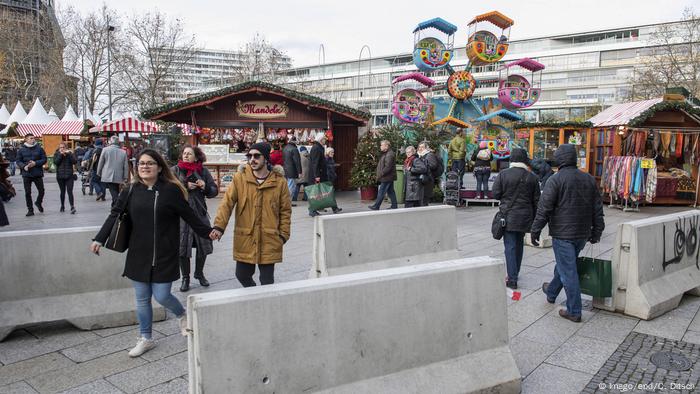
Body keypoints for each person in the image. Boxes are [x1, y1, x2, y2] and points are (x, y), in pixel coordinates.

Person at [90, 149, 213, 357]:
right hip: (138, 252)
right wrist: (99, 238)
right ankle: (145, 338)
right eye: (141, 163)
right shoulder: (130, 190)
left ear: (159, 167)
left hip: (165, 251)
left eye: (149, 163)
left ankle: (182, 315)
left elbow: (189, 215)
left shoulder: (171, 190)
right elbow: (115, 214)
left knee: (162, 295)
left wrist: (208, 232)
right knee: (142, 298)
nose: (145, 167)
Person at [531, 144, 605, 323]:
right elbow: (597, 208)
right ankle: (551, 291)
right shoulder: (588, 179)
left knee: (568, 271)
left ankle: (574, 310)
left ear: (559, 159)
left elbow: (544, 208)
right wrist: (597, 230)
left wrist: (535, 230)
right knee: (566, 266)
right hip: (581, 233)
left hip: (563, 234)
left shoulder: (555, 180)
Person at [210, 142, 292, 288]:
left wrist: (283, 235)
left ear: (266, 158)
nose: (252, 159)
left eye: (256, 156)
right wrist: (219, 226)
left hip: (270, 237)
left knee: (267, 281)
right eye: (249, 156)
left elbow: (285, 211)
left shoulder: (280, 182)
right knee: (242, 275)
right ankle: (254, 295)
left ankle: (264, 305)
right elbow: (226, 204)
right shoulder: (239, 178)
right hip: (245, 237)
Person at [171, 145, 218, 292]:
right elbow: (167, 188)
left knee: (204, 243)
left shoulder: (202, 171)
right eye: (184, 153)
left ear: (196, 157)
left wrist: (205, 187)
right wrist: (184, 186)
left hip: (199, 212)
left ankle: (199, 273)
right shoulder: (175, 170)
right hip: (181, 214)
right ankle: (185, 277)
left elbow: (214, 191)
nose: (185, 156)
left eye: (189, 154)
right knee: (183, 246)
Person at [492, 148, 540, 289]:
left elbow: (496, 194)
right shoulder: (532, 177)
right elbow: (537, 200)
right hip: (525, 217)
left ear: (511, 159)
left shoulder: (503, 174)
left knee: (510, 246)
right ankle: (515, 272)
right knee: (518, 245)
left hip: (509, 216)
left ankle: (512, 279)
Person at [306, 133, 340, 216]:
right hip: (318, 175)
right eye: (324, 139)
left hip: (321, 174)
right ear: (321, 140)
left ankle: (334, 207)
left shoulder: (318, 147)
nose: (325, 140)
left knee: (328, 190)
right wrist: (317, 176)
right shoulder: (316, 148)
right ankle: (312, 210)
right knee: (316, 193)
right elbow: (315, 163)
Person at [15, 135, 47, 217]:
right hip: (26, 174)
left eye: (34, 138)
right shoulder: (21, 150)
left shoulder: (39, 148)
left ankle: (38, 202)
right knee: (27, 192)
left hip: (37, 173)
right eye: (31, 138)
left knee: (42, 191)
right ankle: (30, 209)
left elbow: (44, 159)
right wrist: (24, 166)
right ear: (26, 139)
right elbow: (18, 160)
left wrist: (35, 163)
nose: (33, 140)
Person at [97, 135, 129, 207]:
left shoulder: (105, 150)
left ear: (110, 142)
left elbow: (101, 162)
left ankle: (117, 204)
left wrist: (99, 172)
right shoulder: (123, 152)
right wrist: (126, 176)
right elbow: (126, 165)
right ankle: (114, 205)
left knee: (113, 190)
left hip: (107, 174)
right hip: (119, 175)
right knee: (115, 189)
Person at [369, 140, 398, 210]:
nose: (380, 146)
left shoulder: (389, 154)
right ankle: (394, 206)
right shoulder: (386, 153)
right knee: (391, 191)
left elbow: (388, 167)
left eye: (382, 145)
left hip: (387, 177)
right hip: (388, 177)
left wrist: (381, 174)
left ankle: (376, 206)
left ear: (386, 146)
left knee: (381, 191)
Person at [53, 142, 78, 214]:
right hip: (60, 176)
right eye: (61, 147)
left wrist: (69, 154)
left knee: (70, 191)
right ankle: (62, 205)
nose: (62, 149)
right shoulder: (57, 153)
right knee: (62, 192)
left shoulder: (70, 153)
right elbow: (56, 162)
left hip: (69, 176)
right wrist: (61, 155)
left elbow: (74, 161)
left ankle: (72, 206)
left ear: (66, 148)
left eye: (63, 147)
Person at [417, 141, 439, 207]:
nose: (420, 149)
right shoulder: (418, 155)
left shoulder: (429, 155)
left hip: (427, 180)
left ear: (426, 148)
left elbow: (433, 165)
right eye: (419, 147)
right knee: (420, 200)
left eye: (422, 147)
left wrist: (423, 165)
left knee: (424, 200)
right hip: (421, 180)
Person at [282, 136, 302, 207]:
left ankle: (286, 202)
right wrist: (300, 172)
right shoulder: (294, 149)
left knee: (288, 186)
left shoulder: (285, 148)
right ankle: (287, 202)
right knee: (291, 187)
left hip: (286, 170)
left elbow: (284, 160)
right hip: (292, 170)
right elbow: (297, 162)